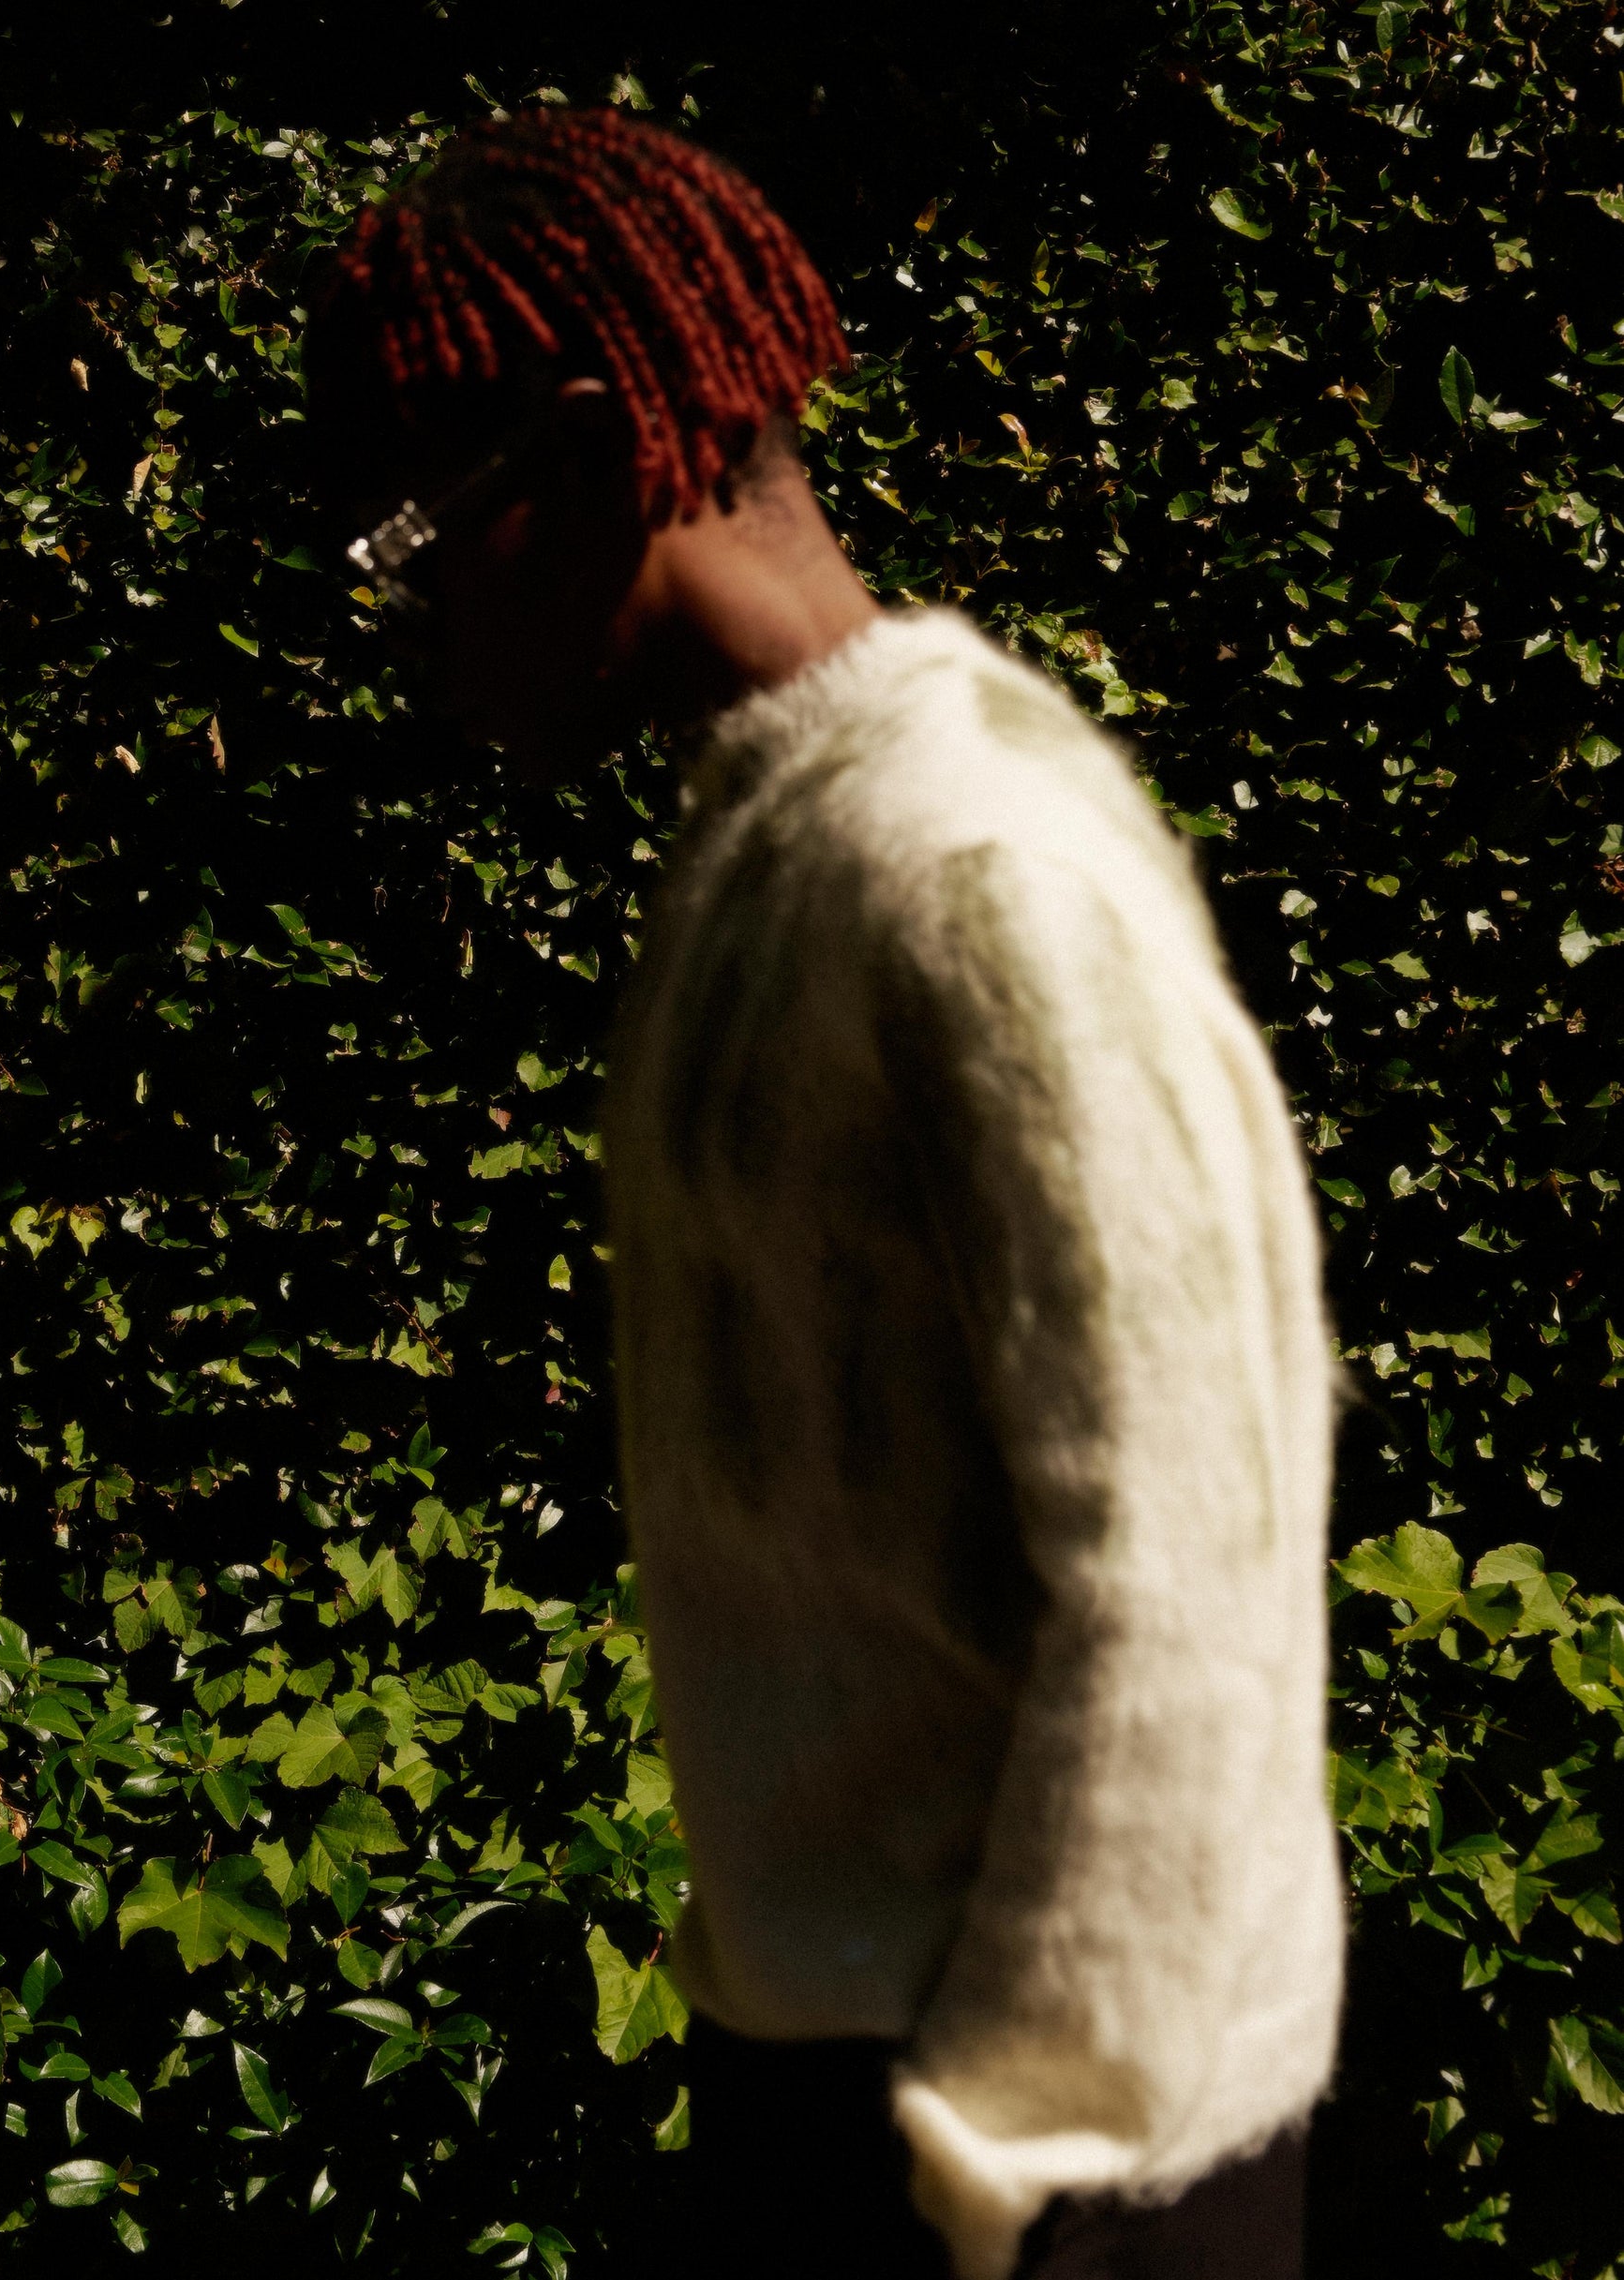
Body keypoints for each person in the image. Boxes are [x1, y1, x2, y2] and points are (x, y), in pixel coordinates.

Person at [306, 105, 1343, 2280]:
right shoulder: (768, 847)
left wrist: (1017, 2137)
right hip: (854, 2078)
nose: (400, 633)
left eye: (407, 544)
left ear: (587, 456)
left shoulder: (971, 867)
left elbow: (1188, 1545)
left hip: (1058, 2147)